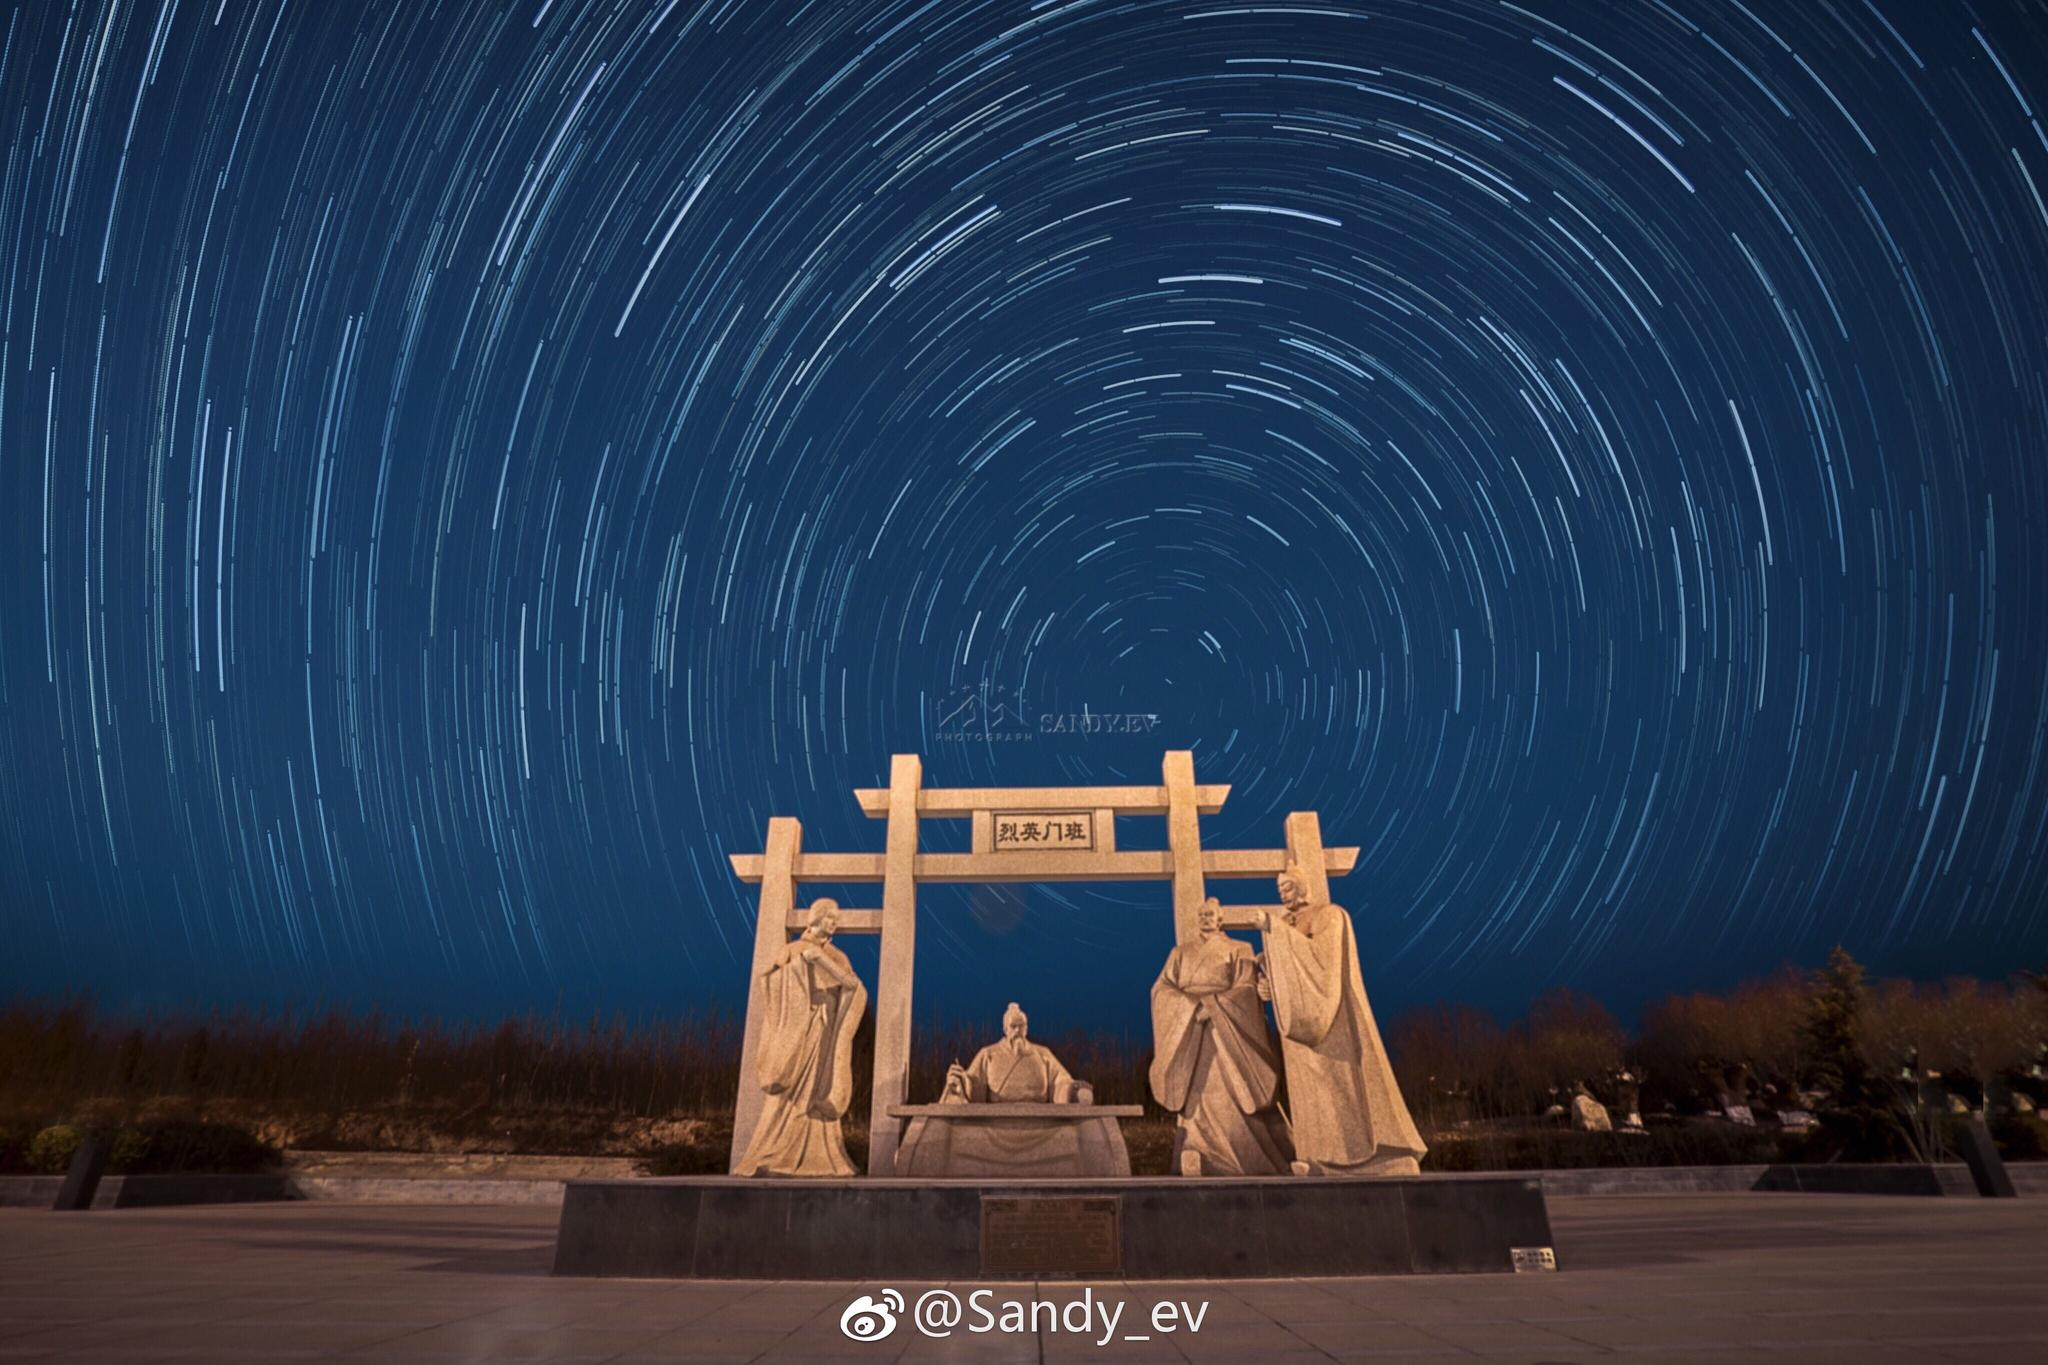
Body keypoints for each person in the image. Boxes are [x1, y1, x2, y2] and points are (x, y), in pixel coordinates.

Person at [1256, 866, 1426, 1175]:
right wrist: (1269, 985)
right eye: (1279, 888)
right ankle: (1317, 1157)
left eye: (1288, 886)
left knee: (1343, 1084)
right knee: (1308, 1092)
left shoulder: (1329, 915)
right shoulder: (1282, 923)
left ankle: (1363, 1157)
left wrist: (1276, 932)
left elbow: (1323, 960)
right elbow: (1278, 969)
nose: (1283, 893)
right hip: (1297, 1029)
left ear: (1302, 885)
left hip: (1332, 1017)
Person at [1150, 898, 1294, 1175]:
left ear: (1220, 919)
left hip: (1227, 1032)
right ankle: (1197, 1150)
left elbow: (1245, 989)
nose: (1206, 919)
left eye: (1211, 915)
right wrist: (1190, 1007)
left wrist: (1214, 1006)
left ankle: (1245, 1158)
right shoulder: (1180, 953)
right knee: (1197, 1095)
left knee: (1232, 1090)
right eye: (1202, 914)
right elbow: (1162, 989)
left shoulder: (1240, 949)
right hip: (1190, 1031)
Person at [732, 899, 867, 1177]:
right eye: (830, 918)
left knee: (818, 1089)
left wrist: (826, 968)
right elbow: (769, 978)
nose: (834, 923)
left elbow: (853, 986)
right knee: (789, 1093)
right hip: (798, 1029)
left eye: (836, 919)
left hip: (824, 1028)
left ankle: (821, 1156)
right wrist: (798, 971)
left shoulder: (838, 957)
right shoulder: (793, 950)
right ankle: (772, 1150)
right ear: (815, 918)